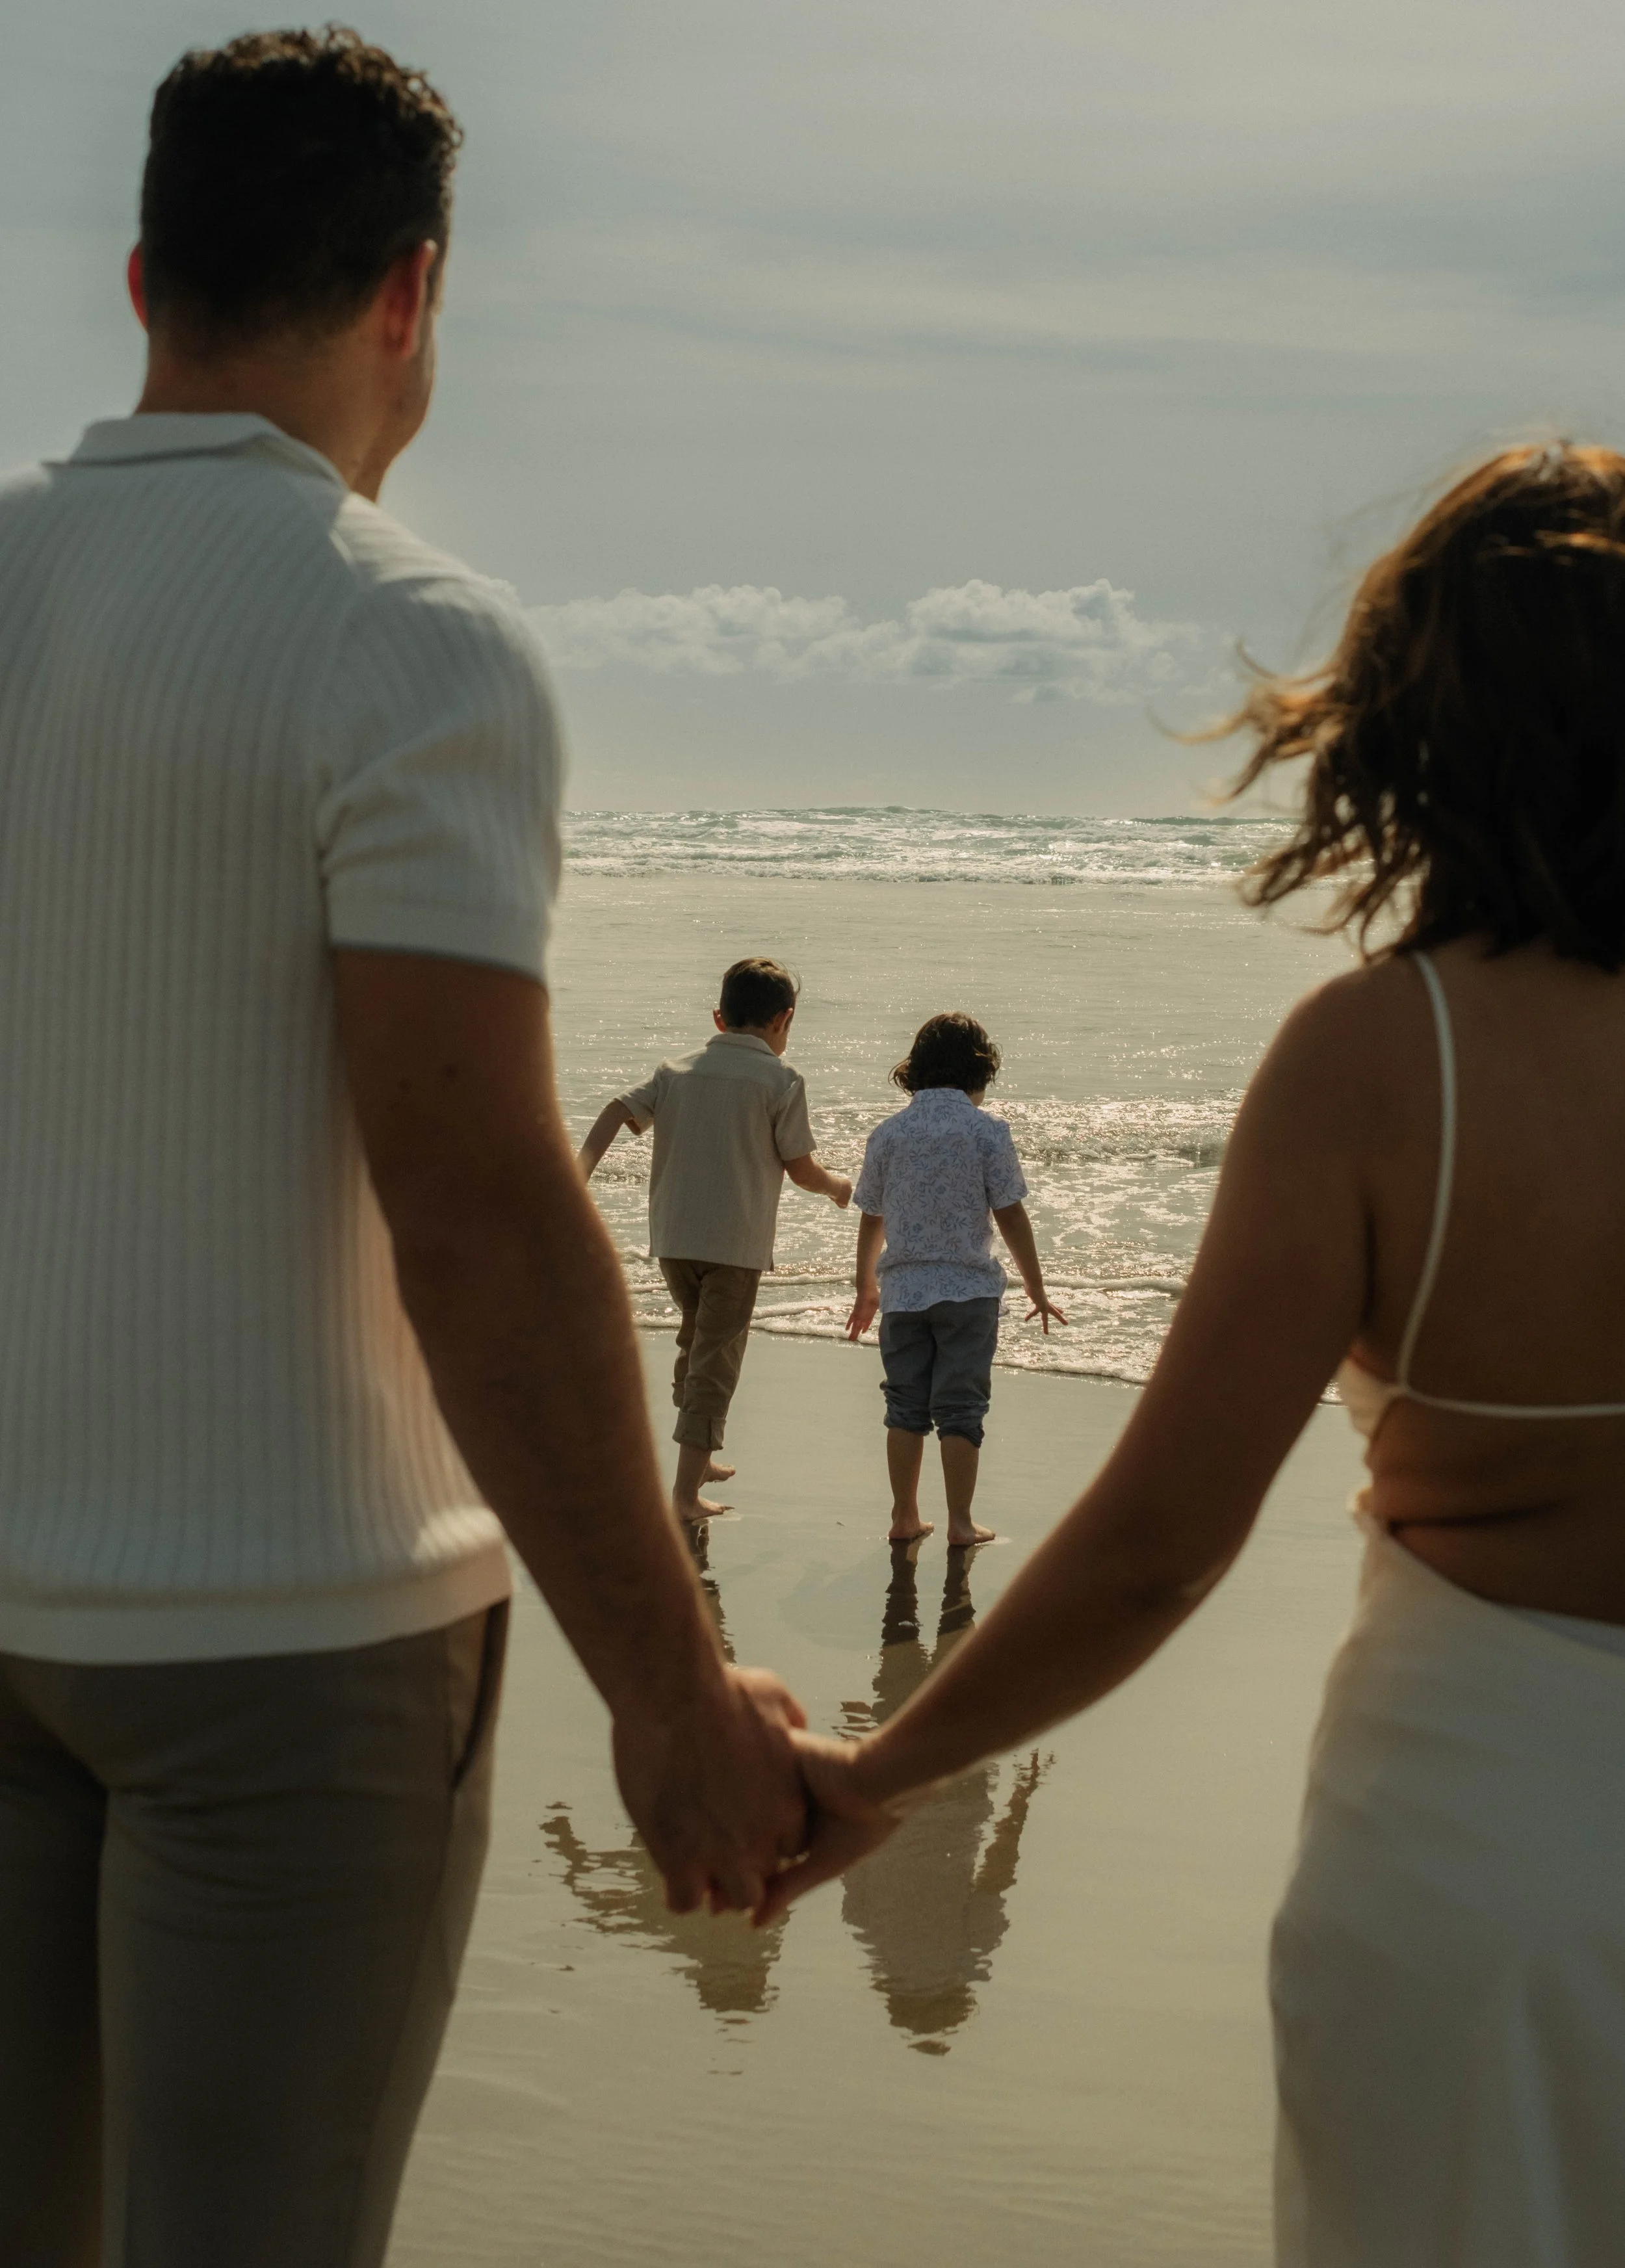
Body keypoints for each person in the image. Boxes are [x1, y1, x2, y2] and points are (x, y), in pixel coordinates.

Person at [0, 33, 805, 2268]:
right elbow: (469, 1197)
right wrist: (670, 1681)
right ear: (413, 294)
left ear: (142, 268)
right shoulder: (403, 640)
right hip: (294, 1632)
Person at [772, 441, 1625, 2266]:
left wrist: (882, 1773)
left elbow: (1163, 1543)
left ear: (1414, 722)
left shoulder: (1381, 1061)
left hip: (1476, 1854)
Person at [578, 957, 852, 1520]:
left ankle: (697, 1462)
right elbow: (801, 1169)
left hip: (674, 1238)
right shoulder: (782, 1079)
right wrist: (838, 1187)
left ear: (719, 1017)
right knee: (717, 1359)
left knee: (695, 1336)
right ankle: (683, 1493)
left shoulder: (676, 1069)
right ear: (785, 1019)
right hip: (735, 1243)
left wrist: (577, 1174)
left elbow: (615, 1110)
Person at [845, 1013, 1066, 1545]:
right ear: (979, 1073)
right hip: (968, 1292)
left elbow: (871, 1215)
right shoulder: (985, 1130)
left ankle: (904, 1516)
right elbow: (1010, 1213)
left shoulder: (889, 1134)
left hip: (902, 1292)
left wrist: (865, 1286)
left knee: (905, 1404)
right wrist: (1036, 1286)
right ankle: (961, 1523)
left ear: (915, 1072)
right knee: (961, 1408)